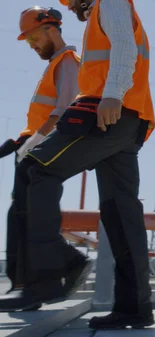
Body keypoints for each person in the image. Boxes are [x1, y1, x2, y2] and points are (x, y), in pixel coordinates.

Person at [0, 0, 155, 330]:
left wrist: (113, 92)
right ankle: (135, 307)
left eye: (71, 3)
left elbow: (123, 45)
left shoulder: (109, 2)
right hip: (130, 119)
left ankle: (57, 270)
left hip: (107, 111)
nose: (71, 8)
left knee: (35, 169)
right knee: (120, 213)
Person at [0, 6, 80, 312]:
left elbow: (64, 111)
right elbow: (43, 115)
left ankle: (62, 267)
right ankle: (23, 286)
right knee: (18, 216)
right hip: (33, 148)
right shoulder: (54, 65)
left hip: (43, 151)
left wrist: (32, 143)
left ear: (52, 30)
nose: (32, 44)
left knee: (30, 215)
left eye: (34, 36)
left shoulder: (68, 61)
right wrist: (19, 140)